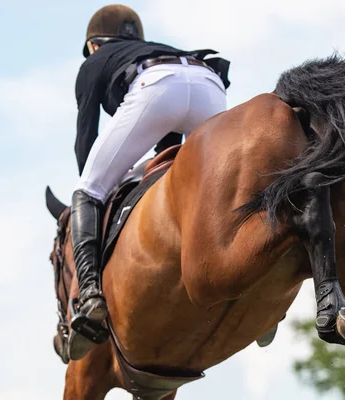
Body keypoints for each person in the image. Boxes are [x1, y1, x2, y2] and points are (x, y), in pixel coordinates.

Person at [68, 4, 230, 360]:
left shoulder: (95, 60)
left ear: (94, 44)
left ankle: (90, 293)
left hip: (154, 86)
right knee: (228, 191)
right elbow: (169, 153)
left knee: (87, 189)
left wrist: (96, 184)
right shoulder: (157, 46)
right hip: (209, 83)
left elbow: (86, 136)